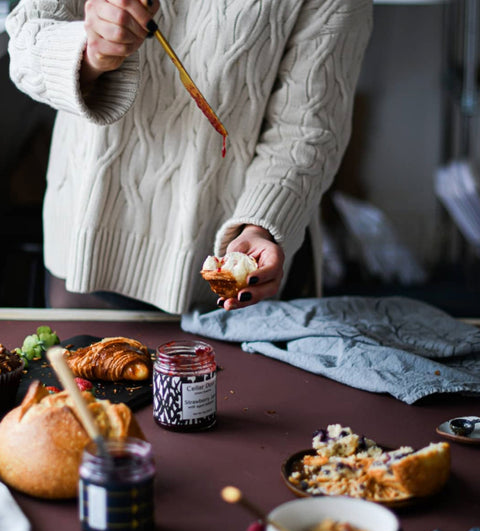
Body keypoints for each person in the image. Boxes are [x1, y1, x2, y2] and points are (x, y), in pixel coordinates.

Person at [6, 0, 373, 314]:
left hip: (227, 276)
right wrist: (90, 53)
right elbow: (24, 44)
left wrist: (260, 225)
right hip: (88, 255)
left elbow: (307, 129)